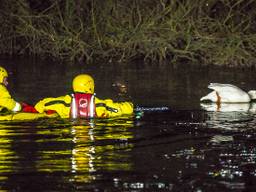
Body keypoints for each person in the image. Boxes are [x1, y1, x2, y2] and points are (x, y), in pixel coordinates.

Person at [34, 74, 134, 118]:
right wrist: (129, 103)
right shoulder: (100, 105)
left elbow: (41, 105)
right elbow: (125, 109)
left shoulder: (63, 102)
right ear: (90, 86)